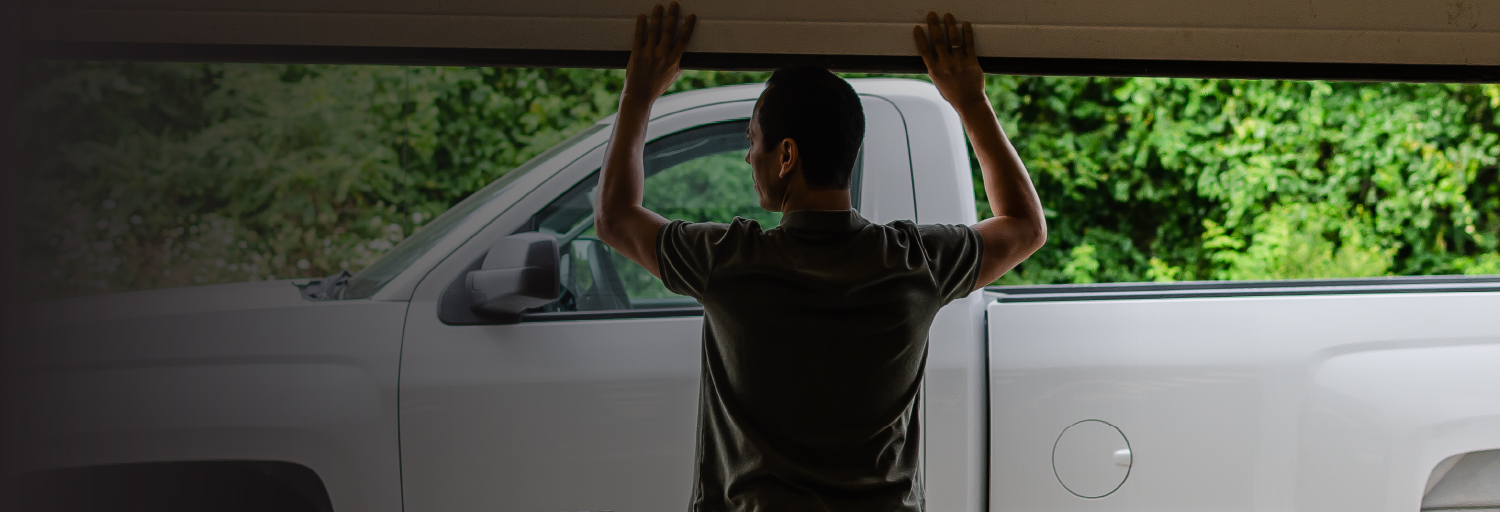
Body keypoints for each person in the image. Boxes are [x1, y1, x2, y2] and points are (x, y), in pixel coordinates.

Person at [594, 3, 1046, 510]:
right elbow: (1025, 227)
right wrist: (971, 101)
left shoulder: (729, 261)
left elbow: (614, 216)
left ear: (786, 156)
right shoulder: (914, 262)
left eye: (753, 142)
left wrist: (637, 93)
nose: (748, 158)